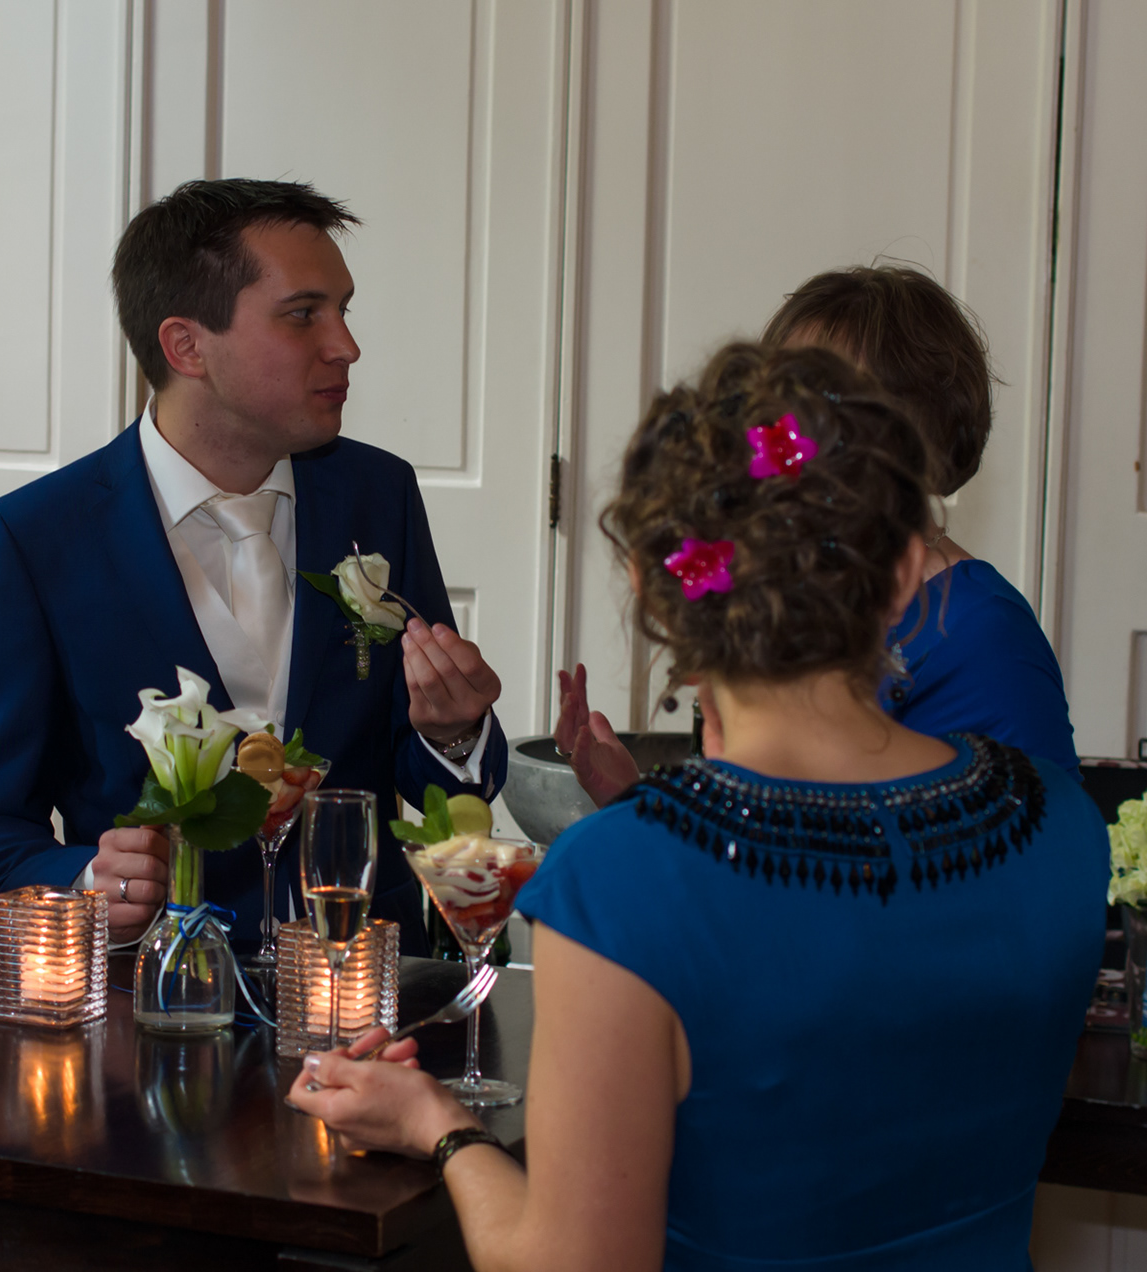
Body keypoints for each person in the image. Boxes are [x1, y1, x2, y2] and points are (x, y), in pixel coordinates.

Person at [289, 342, 1107, 1270]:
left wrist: (440, 1127)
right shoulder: (1059, 822)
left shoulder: (623, 879)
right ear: (909, 566)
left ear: (656, 590)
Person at [0, 179, 507, 947]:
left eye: (343, 310)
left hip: (361, 981)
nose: (346, 346)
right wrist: (85, 882)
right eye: (303, 315)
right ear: (187, 347)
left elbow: (438, 783)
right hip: (157, 994)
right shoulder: (37, 538)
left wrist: (454, 733)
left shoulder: (380, 496)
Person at [556, 265, 1077, 805]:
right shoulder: (782, 600)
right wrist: (639, 804)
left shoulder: (987, 637)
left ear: (922, 435)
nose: (779, 431)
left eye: (825, 406)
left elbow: (1036, 839)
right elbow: (772, 831)